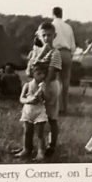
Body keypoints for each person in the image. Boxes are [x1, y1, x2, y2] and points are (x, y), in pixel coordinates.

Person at [28, 21, 62, 157]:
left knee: (51, 117)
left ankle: (51, 145)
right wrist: (40, 54)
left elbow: (52, 72)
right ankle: (32, 146)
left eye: (49, 35)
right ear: (39, 36)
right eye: (44, 35)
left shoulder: (55, 53)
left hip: (50, 85)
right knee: (35, 116)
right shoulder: (36, 52)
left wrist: (43, 86)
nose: (47, 38)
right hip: (37, 85)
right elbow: (30, 70)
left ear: (55, 36)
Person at [15, 63, 48, 161]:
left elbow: (47, 99)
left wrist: (42, 93)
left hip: (39, 111)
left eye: (43, 74)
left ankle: (41, 152)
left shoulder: (44, 86)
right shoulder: (27, 85)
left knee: (40, 133)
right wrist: (28, 101)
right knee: (27, 131)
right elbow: (21, 98)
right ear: (33, 74)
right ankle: (26, 149)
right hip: (28, 110)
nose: (41, 76)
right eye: (38, 73)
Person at [51, 7, 76, 114]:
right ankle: (64, 107)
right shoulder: (68, 27)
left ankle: (55, 107)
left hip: (55, 51)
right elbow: (73, 45)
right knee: (65, 82)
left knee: (54, 80)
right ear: (62, 14)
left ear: (53, 14)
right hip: (67, 53)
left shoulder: (51, 26)